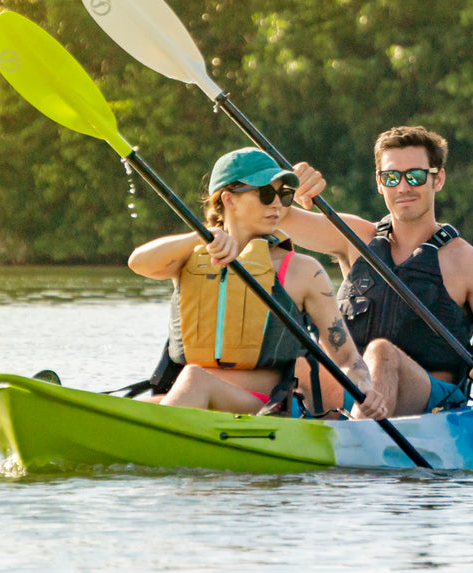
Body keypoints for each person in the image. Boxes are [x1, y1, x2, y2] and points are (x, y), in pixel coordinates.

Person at [278, 125, 473, 417]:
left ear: (438, 179)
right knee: (290, 352)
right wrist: (288, 186)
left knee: (382, 353)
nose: (403, 187)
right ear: (380, 183)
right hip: (351, 389)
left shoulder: (468, 263)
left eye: (415, 176)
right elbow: (273, 216)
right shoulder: (353, 236)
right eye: (392, 177)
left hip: (429, 402)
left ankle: (362, 437)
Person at [128, 147, 388, 420]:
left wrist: (366, 390)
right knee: (150, 402)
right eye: (265, 194)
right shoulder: (189, 259)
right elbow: (138, 262)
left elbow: (346, 357)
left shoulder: (302, 271)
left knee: (193, 379)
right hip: (200, 394)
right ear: (229, 199)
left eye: (283, 195)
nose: (277, 205)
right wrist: (200, 237)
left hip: (271, 406)